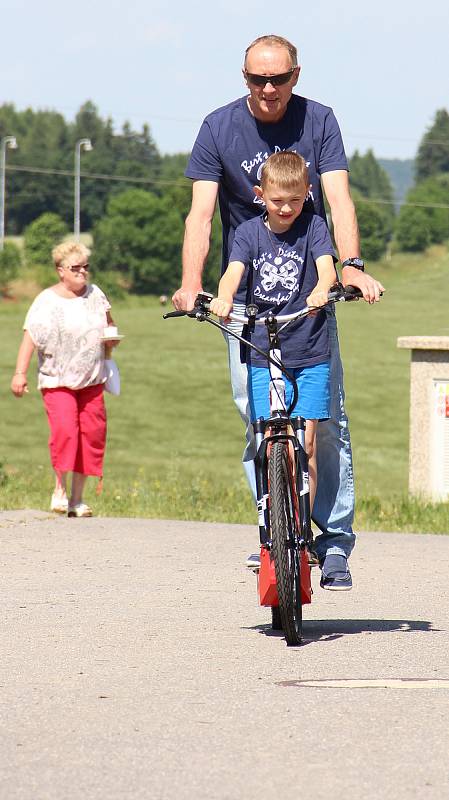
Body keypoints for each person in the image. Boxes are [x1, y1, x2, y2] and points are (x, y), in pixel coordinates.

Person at [172, 34, 384, 589]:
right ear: (243, 78)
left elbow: (338, 199)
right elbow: (200, 214)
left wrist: (352, 264)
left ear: (296, 75)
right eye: (256, 79)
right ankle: (273, 529)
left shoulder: (319, 121)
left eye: (279, 78)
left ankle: (334, 542)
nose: (268, 89)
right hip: (245, 303)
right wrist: (193, 284)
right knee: (258, 423)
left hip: (308, 301)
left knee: (325, 424)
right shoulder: (218, 128)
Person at [211, 151, 338, 542]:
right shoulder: (248, 233)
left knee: (308, 441)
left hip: (310, 348)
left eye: (295, 200)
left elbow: (326, 268)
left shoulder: (314, 227)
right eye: (277, 200)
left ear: (307, 194)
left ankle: (301, 532)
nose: (286, 208)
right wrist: (223, 297)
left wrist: (321, 290)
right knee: (268, 441)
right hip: (263, 351)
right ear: (260, 194)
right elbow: (233, 272)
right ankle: (272, 529)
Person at [11, 241, 119, 518]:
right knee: (65, 432)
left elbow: (109, 322)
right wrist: (20, 373)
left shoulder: (96, 294)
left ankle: (77, 499)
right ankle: (59, 488)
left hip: (91, 379)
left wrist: (111, 339)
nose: (82, 272)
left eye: (86, 267)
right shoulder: (46, 301)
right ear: (60, 271)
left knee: (91, 435)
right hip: (57, 379)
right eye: (75, 268)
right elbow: (30, 338)